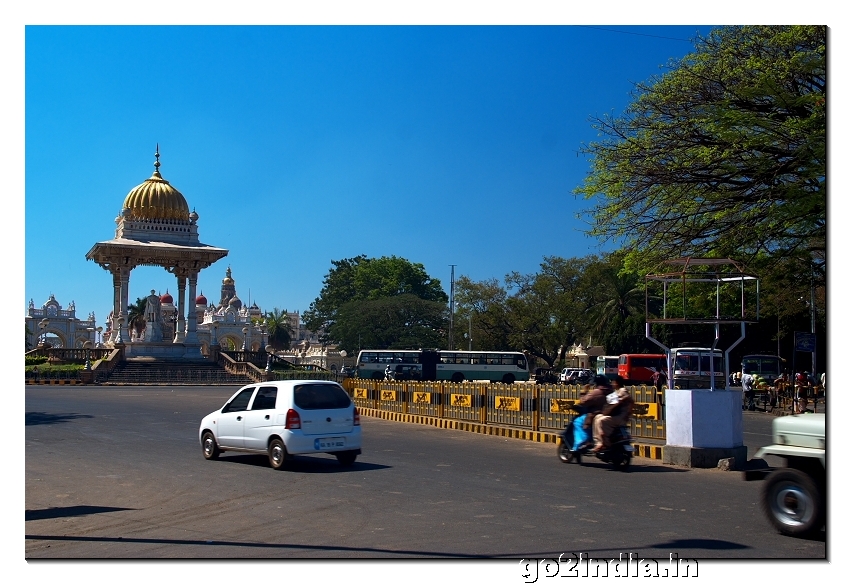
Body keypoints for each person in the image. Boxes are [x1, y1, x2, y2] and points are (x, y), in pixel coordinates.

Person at [592, 375, 634, 452]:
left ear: (617, 383)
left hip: (620, 416)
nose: (612, 384)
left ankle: (605, 442)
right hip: (616, 415)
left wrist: (628, 413)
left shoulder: (622, 390)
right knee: (597, 417)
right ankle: (598, 442)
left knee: (601, 421)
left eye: (613, 382)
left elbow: (630, 400)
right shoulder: (616, 391)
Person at [579, 375, 614, 451]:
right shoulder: (611, 390)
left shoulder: (597, 392)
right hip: (611, 414)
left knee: (586, 423)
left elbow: (584, 402)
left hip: (597, 414)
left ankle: (588, 442)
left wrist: (584, 392)